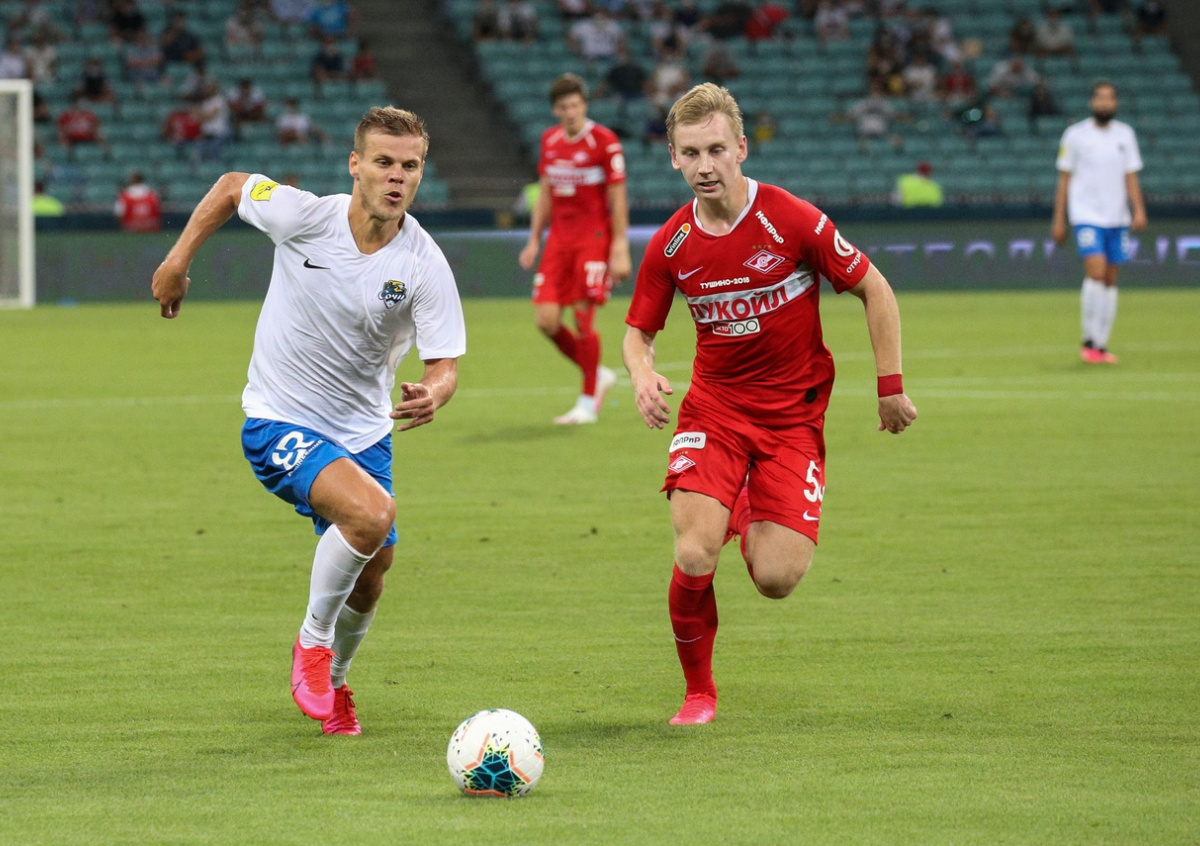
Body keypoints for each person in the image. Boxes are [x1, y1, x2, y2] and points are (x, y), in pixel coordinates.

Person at [150, 106, 467, 735]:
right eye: (383, 162)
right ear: (355, 165)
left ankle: (338, 683)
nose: (396, 176)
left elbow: (445, 364)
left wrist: (433, 392)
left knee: (372, 575)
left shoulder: (424, 264)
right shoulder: (305, 216)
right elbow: (232, 186)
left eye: (409, 166)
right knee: (372, 515)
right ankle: (313, 644)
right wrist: (177, 262)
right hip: (280, 418)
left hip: (364, 433)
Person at [622, 83, 917, 726]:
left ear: (741, 148)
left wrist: (889, 385)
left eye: (716, 150)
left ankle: (745, 500)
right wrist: (642, 374)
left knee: (777, 579)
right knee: (694, 552)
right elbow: (637, 333)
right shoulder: (672, 244)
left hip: (791, 420)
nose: (705, 166)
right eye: (691, 153)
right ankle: (699, 693)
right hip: (714, 412)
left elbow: (875, 288)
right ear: (672, 157)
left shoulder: (792, 219)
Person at [518, 73, 631, 425]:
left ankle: (586, 403)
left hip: (592, 240)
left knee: (583, 318)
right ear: (556, 109)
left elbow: (617, 197)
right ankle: (597, 373)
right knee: (546, 320)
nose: (570, 112)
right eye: (564, 106)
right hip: (559, 240)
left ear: (584, 105)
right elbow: (546, 192)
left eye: (575, 105)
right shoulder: (550, 141)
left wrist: (620, 245)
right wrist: (534, 239)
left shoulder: (604, 141)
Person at [1052, 80, 1146, 364]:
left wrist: (1138, 210)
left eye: (1109, 98)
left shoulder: (1125, 134)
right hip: (1086, 215)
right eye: (1100, 98)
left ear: (1115, 103)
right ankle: (1089, 339)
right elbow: (1064, 178)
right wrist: (1059, 219)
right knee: (1096, 271)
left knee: (1110, 279)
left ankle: (1101, 344)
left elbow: (1130, 176)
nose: (1104, 103)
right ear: (1092, 102)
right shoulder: (1075, 135)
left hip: (1117, 217)